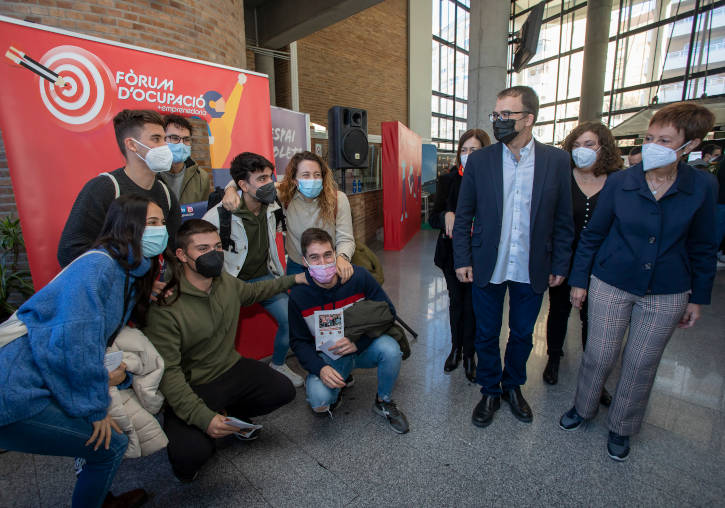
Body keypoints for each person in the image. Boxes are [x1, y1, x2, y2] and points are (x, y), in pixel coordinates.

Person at [560, 102, 718, 462]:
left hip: (667, 289)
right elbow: (593, 235)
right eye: (649, 138)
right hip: (611, 280)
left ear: (689, 146)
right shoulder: (620, 182)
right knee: (599, 354)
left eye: (664, 139)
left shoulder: (702, 187)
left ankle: (623, 425)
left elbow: (704, 245)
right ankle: (582, 408)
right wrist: (580, 280)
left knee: (641, 362)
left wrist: (698, 297)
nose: (652, 145)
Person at [0, 195, 174, 508]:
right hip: (14, 388)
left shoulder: (129, 271)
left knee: (102, 446)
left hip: (42, 378)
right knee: (110, 447)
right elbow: (72, 342)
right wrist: (95, 409)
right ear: (126, 227)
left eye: (161, 223)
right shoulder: (99, 265)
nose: (159, 230)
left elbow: (93, 340)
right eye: (150, 223)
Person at [143, 219, 306, 482]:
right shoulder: (165, 306)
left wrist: (295, 279)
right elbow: (169, 374)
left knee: (283, 390)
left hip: (229, 369)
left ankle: (230, 414)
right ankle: (210, 421)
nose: (214, 254)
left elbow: (255, 291)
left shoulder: (225, 283)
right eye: (203, 249)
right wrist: (203, 418)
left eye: (218, 247)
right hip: (191, 385)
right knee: (189, 459)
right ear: (182, 255)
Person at [453, 85, 574, 429]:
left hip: (533, 266)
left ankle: (513, 386)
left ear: (529, 119)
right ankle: (490, 389)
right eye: (496, 114)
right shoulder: (480, 161)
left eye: (507, 115)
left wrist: (560, 264)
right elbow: (464, 215)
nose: (499, 121)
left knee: (522, 334)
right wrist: (462, 258)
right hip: (488, 263)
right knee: (487, 333)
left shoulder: (556, 161)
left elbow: (564, 221)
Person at [288, 228, 409, 434]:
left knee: (391, 349)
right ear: (304, 261)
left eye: (328, 255)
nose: (323, 263)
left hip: (363, 346)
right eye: (314, 258)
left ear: (335, 253)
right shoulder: (299, 296)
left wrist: (357, 342)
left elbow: (388, 311)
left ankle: (383, 401)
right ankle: (338, 387)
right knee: (320, 403)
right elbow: (298, 342)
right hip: (328, 356)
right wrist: (320, 368)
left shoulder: (358, 277)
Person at [202, 152, 303, 387]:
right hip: (230, 283)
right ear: (243, 185)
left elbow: (286, 184)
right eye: (261, 179)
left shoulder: (273, 204)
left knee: (290, 318)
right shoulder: (218, 215)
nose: (268, 183)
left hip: (264, 278)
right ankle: (222, 378)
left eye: (269, 177)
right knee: (222, 335)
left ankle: (278, 364)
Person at [542, 122, 622, 401]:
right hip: (563, 256)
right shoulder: (562, 176)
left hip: (602, 263)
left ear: (604, 147)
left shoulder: (617, 181)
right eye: (576, 145)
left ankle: (595, 376)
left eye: (589, 144)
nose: (581, 151)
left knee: (594, 317)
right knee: (559, 309)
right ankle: (553, 357)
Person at [58, 109, 181, 268]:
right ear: (131, 145)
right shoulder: (104, 188)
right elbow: (70, 251)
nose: (164, 146)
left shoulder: (166, 194)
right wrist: (121, 279)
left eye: (165, 139)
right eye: (156, 139)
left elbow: (173, 247)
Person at [223, 151, 355, 283]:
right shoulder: (285, 195)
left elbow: (345, 238)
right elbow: (252, 182)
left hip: (328, 264)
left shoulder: (337, 199)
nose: (313, 180)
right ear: (294, 180)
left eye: (317, 175)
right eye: (305, 175)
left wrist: (342, 257)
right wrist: (230, 189)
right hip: (297, 266)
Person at [430, 128, 490, 381]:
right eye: (463, 150)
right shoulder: (447, 180)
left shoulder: (493, 181)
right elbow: (433, 217)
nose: (467, 155)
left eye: (473, 150)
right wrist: (446, 215)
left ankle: (470, 355)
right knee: (456, 303)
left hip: (481, 254)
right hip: (452, 254)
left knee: (473, 306)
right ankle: (456, 349)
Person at [160, 114, 211, 205]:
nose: (181, 144)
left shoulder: (201, 177)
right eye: (175, 138)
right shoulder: (150, 174)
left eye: (186, 139)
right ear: (162, 139)